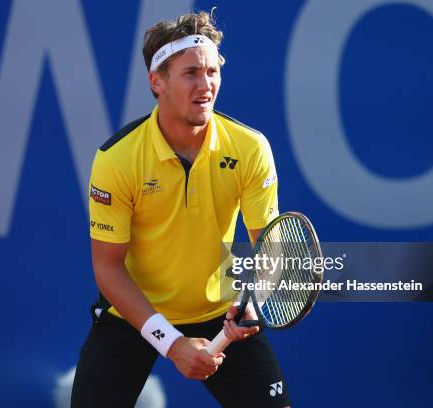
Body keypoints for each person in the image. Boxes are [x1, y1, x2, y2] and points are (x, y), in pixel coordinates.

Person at [71, 11, 290, 408]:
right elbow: (108, 268)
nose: (206, 85)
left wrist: (252, 302)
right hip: (132, 316)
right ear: (157, 82)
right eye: (191, 73)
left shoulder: (250, 148)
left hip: (221, 312)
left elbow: (269, 251)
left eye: (212, 71)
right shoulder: (117, 159)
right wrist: (172, 344)